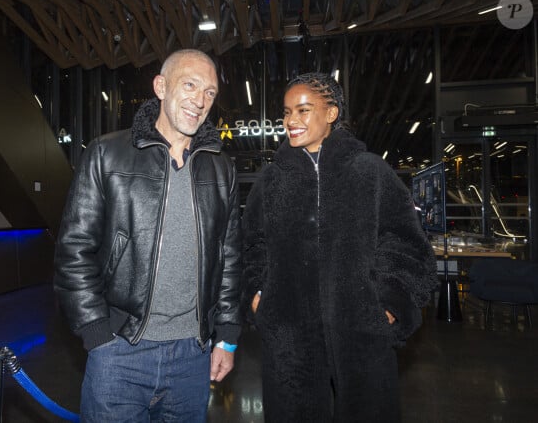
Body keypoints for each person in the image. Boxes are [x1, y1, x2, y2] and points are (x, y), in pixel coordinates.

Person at [53, 49, 243, 423]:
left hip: (193, 354)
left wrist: (228, 335)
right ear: (160, 86)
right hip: (120, 350)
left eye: (209, 92)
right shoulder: (106, 153)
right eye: (190, 85)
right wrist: (96, 333)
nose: (200, 100)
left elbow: (230, 257)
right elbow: (74, 250)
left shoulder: (222, 168)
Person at [242, 72, 438, 422]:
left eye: (303, 110)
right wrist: (258, 293)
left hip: (360, 328)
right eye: (287, 112)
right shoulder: (272, 180)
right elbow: (251, 244)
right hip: (289, 332)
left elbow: (405, 242)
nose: (292, 121)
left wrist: (390, 301)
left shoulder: (370, 171)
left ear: (331, 114)